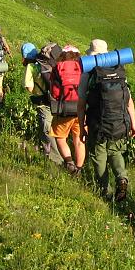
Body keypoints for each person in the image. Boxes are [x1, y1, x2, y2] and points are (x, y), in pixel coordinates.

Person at [78, 38, 135, 202]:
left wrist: (82, 127)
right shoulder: (119, 71)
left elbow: (81, 104)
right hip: (119, 122)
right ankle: (121, 178)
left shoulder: (88, 74)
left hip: (97, 124)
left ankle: (106, 192)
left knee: (99, 157)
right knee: (116, 152)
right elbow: (129, 101)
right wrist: (133, 124)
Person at [22, 42, 62, 163]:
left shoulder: (31, 67)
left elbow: (28, 87)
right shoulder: (49, 63)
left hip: (44, 103)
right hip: (59, 100)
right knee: (59, 129)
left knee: (46, 130)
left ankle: (56, 160)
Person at [49, 45, 86, 174]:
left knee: (60, 138)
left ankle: (69, 163)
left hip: (64, 109)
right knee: (80, 139)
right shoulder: (82, 67)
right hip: (81, 110)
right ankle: (79, 169)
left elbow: (54, 92)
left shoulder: (57, 68)